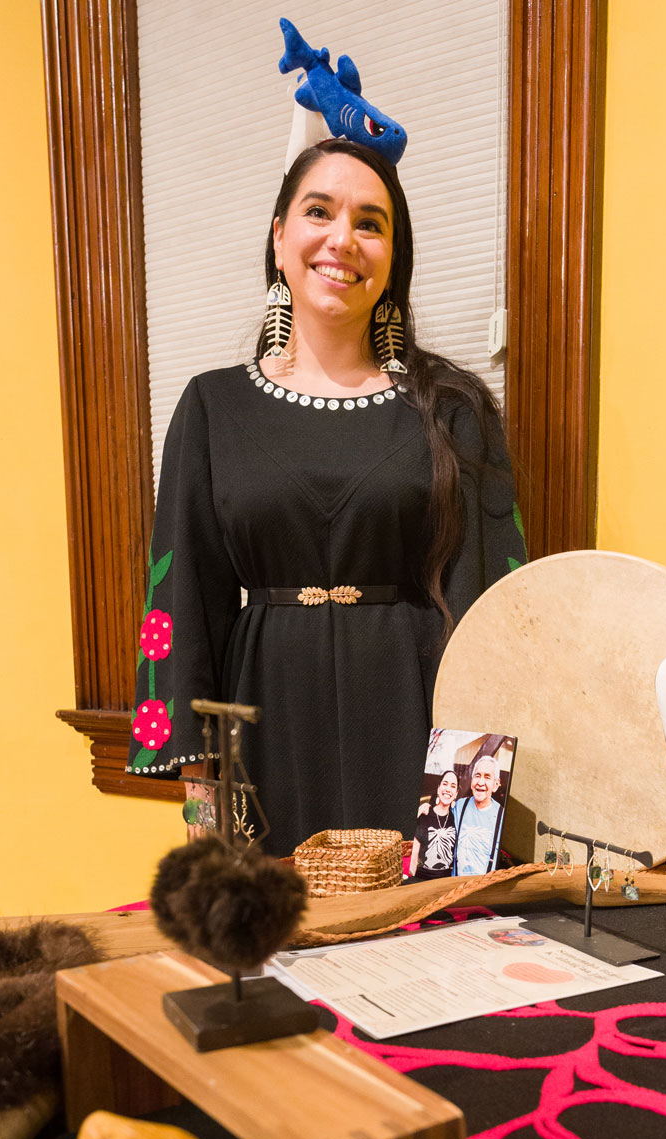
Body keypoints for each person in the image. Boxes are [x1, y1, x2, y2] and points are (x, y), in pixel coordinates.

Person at [126, 138, 525, 855]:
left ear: (393, 257)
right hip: (264, 719)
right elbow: (184, 602)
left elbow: (492, 612)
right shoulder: (211, 408)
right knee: (278, 950)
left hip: (416, 717)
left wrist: (466, 816)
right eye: (320, 211)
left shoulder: (455, 409)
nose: (344, 238)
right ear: (280, 238)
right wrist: (201, 801)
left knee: (421, 950)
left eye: (371, 222)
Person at [452, 756, 505, 875]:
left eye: (487, 777)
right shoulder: (460, 806)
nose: (480, 782)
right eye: (477, 775)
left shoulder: (502, 816)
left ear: (496, 785)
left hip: (483, 889)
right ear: (471, 781)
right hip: (455, 886)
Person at [410, 768, 459, 881]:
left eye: (452, 786)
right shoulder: (424, 815)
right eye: (445, 784)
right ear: (438, 788)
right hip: (421, 879)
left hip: (445, 882)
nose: (448, 789)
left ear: (456, 794)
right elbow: (414, 855)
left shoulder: (456, 818)